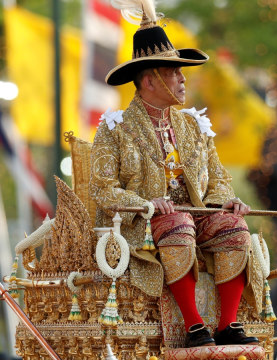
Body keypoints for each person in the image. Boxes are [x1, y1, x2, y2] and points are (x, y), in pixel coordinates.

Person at [90, 0, 263, 348]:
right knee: (177, 224)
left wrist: (227, 202)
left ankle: (228, 324)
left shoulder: (194, 126)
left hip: (194, 217)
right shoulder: (115, 128)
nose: (183, 79)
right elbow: (103, 189)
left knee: (234, 227)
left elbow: (219, 179)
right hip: (143, 225)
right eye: (174, 72)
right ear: (150, 80)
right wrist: (145, 203)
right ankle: (194, 325)